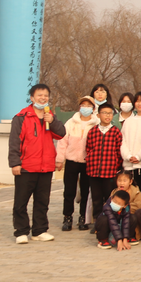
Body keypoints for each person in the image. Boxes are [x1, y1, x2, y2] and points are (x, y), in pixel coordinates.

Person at [9, 83, 67, 244]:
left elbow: (61, 133)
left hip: (46, 167)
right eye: (39, 95)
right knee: (21, 202)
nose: (43, 98)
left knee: (42, 202)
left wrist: (52, 121)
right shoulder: (21, 117)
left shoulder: (50, 116)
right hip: (26, 167)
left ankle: (39, 230)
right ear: (32, 98)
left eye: (46, 95)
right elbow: (14, 142)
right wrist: (15, 163)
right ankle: (21, 231)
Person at [57, 95, 99, 232]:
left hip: (88, 162)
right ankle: (67, 217)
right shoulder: (71, 122)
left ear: (93, 108)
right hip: (71, 161)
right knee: (69, 191)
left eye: (88, 106)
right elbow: (62, 142)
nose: (85, 108)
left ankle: (83, 217)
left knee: (85, 191)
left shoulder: (97, 123)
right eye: (83, 105)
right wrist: (59, 159)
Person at [87, 103, 125, 231]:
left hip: (110, 172)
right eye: (104, 113)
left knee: (110, 199)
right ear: (98, 115)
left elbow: (119, 152)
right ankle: (98, 223)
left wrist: (116, 166)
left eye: (110, 113)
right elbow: (88, 149)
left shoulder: (116, 132)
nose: (107, 116)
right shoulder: (92, 131)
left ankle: (111, 223)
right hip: (94, 172)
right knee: (96, 199)